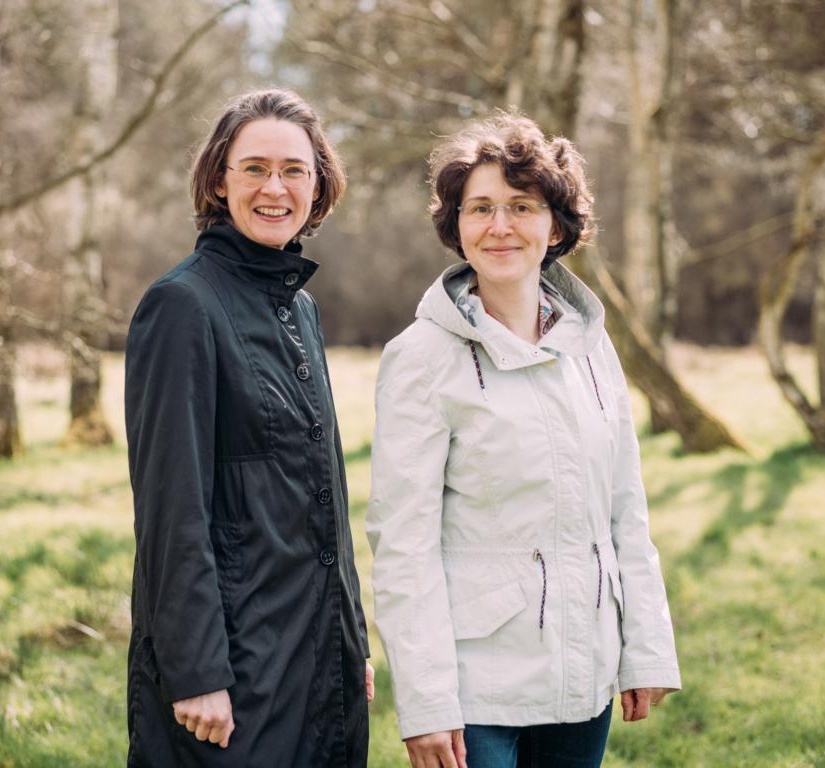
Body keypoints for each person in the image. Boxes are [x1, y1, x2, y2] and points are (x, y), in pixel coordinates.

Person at [366, 112, 681, 768]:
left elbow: (626, 511)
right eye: (480, 208)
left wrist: (646, 649)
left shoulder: (592, 346)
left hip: (584, 676)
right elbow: (403, 544)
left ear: (557, 226)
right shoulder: (421, 356)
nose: (499, 225)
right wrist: (426, 702)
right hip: (475, 692)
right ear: (457, 226)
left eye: (521, 206)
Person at [124, 88, 372, 767]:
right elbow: (171, 509)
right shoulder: (181, 305)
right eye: (255, 168)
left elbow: (327, 497)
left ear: (317, 186)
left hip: (317, 656)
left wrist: (351, 640)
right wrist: (197, 671)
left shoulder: (301, 309)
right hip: (233, 674)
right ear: (218, 180)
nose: (275, 188)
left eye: (294, 170)